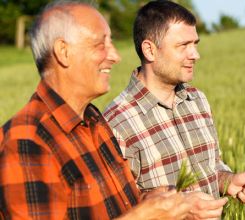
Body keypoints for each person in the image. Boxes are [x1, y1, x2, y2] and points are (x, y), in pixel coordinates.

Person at [0, 1, 228, 219]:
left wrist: (157, 200)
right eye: (101, 45)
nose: (115, 56)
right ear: (63, 52)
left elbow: (119, 205)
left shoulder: (94, 121)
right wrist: (146, 215)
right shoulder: (27, 141)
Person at [103, 0, 245, 204]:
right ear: (149, 50)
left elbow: (211, 168)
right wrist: (182, 209)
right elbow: (117, 206)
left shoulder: (197, 100)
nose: (195, 55)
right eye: (183, 45)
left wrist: (228, 181)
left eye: (195, 44)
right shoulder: (117, 122)